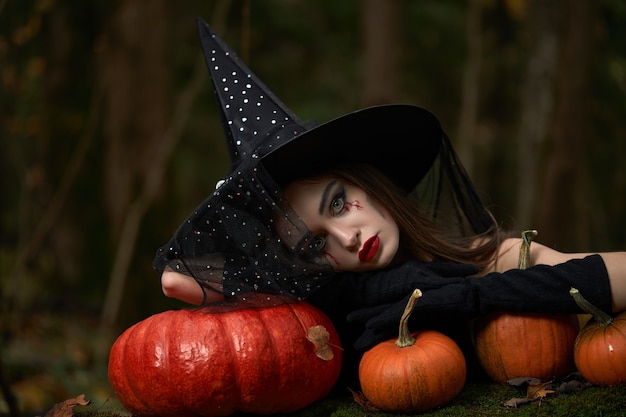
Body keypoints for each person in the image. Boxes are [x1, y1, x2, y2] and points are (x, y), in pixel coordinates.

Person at [155, 19, 626, 380]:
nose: (345, 237)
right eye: (315, 245)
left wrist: (477, 291)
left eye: (338, 203)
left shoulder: (484, 259)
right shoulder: (332, 304)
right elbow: (176, 282)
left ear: (366, 181)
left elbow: (589, 273)